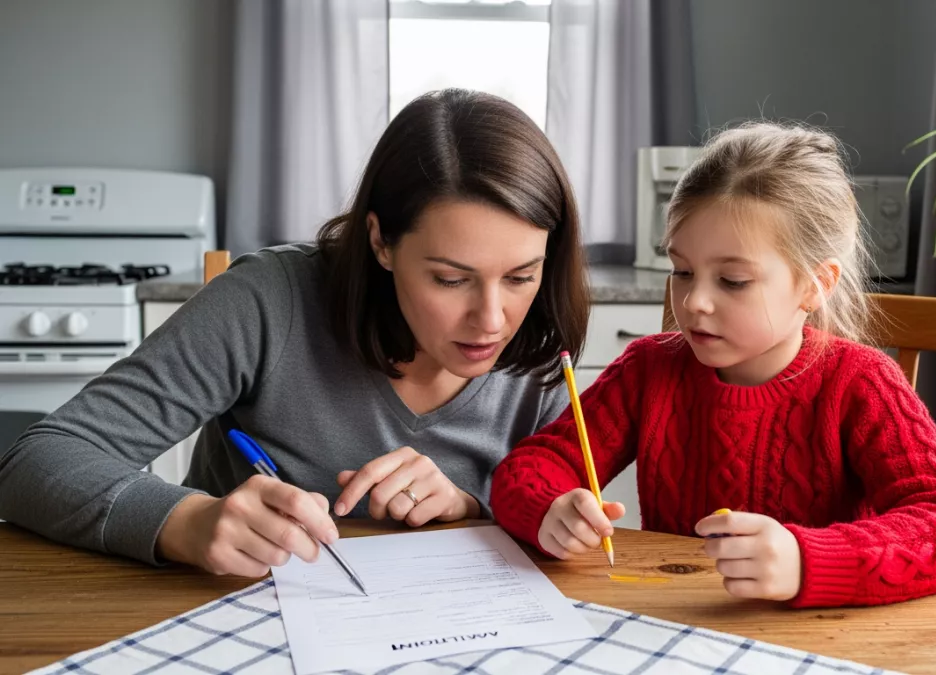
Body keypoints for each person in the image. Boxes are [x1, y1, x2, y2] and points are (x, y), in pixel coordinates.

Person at [0, 89, 588, 578]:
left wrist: (467, 505)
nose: (491, 320)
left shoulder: (541, 346)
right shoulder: (270, 301)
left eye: (520, 275)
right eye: (450, 279)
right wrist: (188, 522)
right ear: (381, 241)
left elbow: (558, 509)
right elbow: (36, 462)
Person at [490, 122, 936, 608]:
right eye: (682, 271)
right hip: (674, 620)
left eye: (732, 280)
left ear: (816, 284)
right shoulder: (649, 369)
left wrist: (807, 561)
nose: (694, 302)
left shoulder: (861, 381)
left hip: (823, 640)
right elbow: (529, 470)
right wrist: (549, 509)